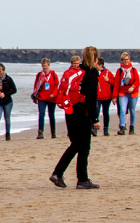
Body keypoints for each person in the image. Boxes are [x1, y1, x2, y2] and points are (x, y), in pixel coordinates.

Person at [51, 46, 101, 189]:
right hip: (82, 114)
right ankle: (82, 179)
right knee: (84, 146)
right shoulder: (91, 75)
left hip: (70, 111)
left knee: (75, 145)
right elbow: (91, 99)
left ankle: (58, 173)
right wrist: (95, 119)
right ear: (95, 59)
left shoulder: (77, 72)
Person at [33, 58, 60, 139]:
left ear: (49, 65)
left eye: (45, 66)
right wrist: (35, 97)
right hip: (42, 98)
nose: (44, 67)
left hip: (52, 98)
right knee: (41, 114)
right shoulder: (39, 75)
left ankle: (53, 132)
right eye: (43, 66)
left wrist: (54, 94)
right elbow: (36, 86)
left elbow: (56, 86)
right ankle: (40, 132)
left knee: (51, 115)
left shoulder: (54, 75)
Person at [115, 52, 138, 136]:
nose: (126, 61)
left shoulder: (133, 70)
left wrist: (133, 86)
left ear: (129, 60)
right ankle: (122, 127)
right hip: (122, 93)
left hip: (133, 93)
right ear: (122, 60)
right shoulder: (119, 71)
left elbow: (137, 81)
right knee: (123, 110)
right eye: (124, 60)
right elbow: (117, 84)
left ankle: (132, 126)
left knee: (132, 110)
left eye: (127, 59)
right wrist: (114, 96)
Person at [96, 58, 116, 136]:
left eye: (97, 64)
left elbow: (114, 82)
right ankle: (94, 129)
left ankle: (106, 129)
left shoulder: (108, 72)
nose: (95, 65)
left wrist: (108, 80)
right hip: (97, 97)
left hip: (107, 97)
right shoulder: (94, 73)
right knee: (96, 112)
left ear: (101, 65)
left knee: (105, 113)